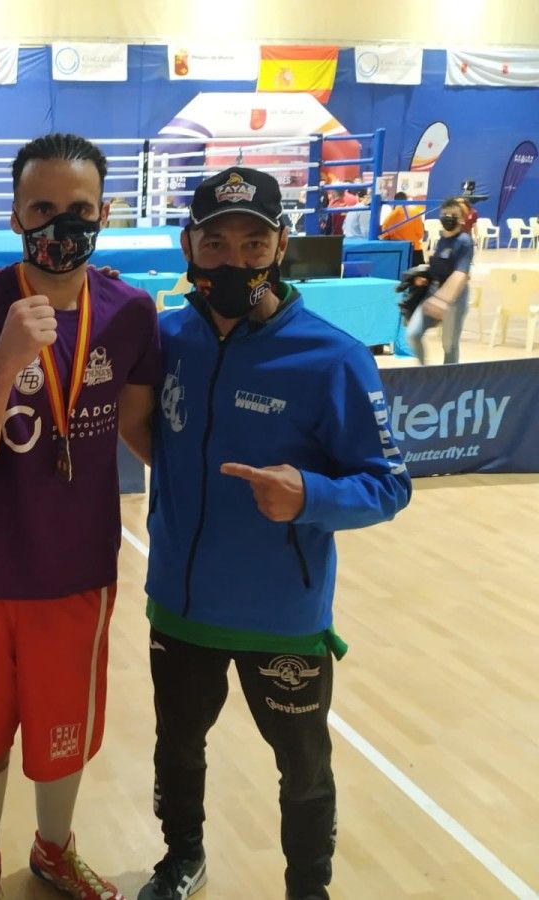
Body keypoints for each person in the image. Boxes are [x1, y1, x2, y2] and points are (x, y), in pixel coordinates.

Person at [136, 166, 412, 900]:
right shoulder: (165, 340)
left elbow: (389, 484)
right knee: (178, 745)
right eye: (216, 242)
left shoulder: (334, 358)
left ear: (281, 244)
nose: (234, 260)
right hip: (180, 604)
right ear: (188, 246)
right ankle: (181, 857)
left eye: (253, 242)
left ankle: (307, 890)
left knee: (303, 764)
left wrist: (311, 495)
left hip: (281, 619)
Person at [0, 133, 160, 900]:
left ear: (104, 215)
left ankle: (54, 850)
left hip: (78, 572)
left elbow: (146, 437)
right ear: (14, 215)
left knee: (64, 736)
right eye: (42, 209)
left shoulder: (131, 313)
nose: (61, 226)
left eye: (80, 210)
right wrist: (5, 357)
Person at [404, 196, 475, 365]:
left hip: (454, 301)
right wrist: (422, 278)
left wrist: (442, 300)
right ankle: (425, 372)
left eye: (452, 215)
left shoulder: (464, 242)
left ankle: (450, 381)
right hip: (432, 294)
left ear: (461, 219)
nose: (447, 218)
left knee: (449, 345)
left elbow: (461, 275)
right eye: (445, 214)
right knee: (413, 334)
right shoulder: (442, 239)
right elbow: (437, 266)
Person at [380, 191, 425, 266]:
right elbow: (420, 234)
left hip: (398, 251)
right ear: (406, 200)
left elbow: (384, 234)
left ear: (395, 201)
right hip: (415, 250)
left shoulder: (390, 216)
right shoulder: (415, 213)